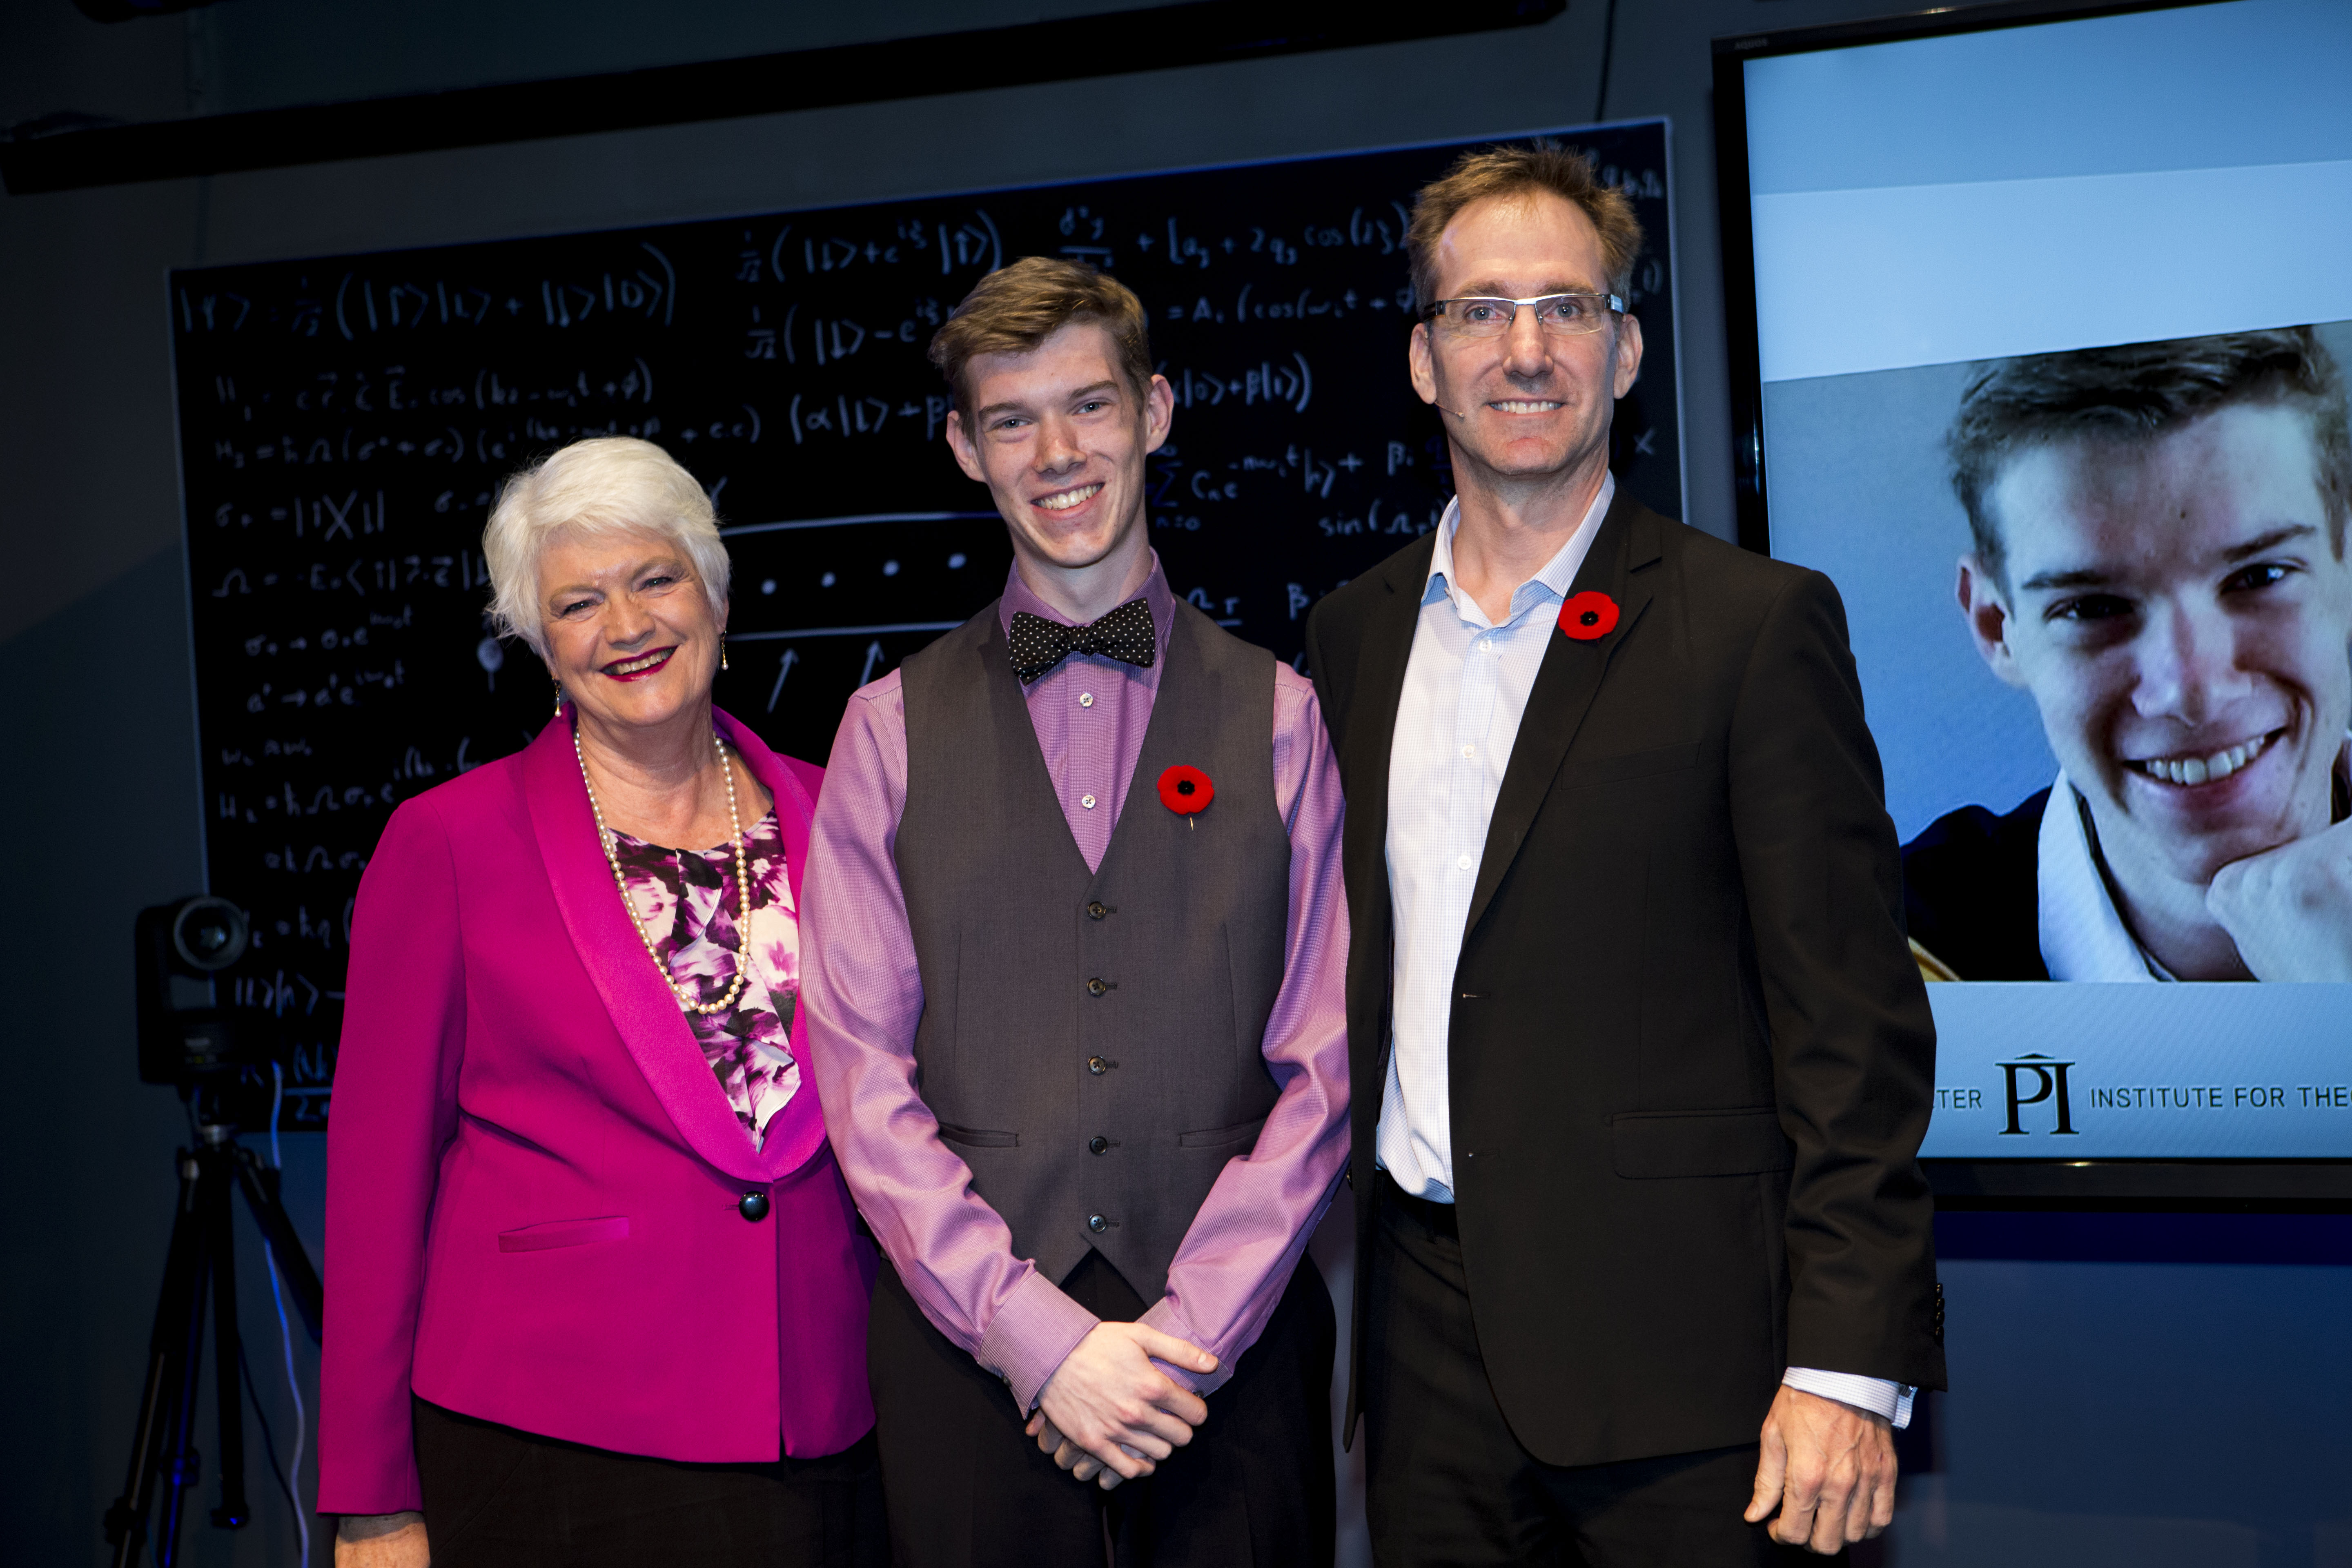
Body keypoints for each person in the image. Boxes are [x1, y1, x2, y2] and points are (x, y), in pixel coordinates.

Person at [1301, 145, 1945, 1564]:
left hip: (1696, 1371)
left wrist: (1846, 1365)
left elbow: (1855, 1027)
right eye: (1480, 312)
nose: (1524, 350)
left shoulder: (1755, 626)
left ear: (1627, 347)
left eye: (1566, 308)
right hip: (1423, 1363)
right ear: (1422, 361)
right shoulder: (1348, 638)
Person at [798, 256, 1351, 1568]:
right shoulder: (885, 730)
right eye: (1010, 420)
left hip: (1235, 1348)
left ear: (1155, 412)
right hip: (969, 1355)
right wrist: (1040, 1342)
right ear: (964, 449)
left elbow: (1325, 1064)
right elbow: (861, 1079)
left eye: (1090, 407)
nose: (1057, 452)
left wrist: (1182, 1339)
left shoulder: (1282, 711)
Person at [320, 437, 884, 1568]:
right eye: (578, 602)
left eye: (655, 579)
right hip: (557, 1437)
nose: (626, 626)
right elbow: (376, 1188)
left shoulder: (850, 813)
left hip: (830, 1419)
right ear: (537, 642)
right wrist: (374, 1497)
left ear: (716, 595)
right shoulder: (446, 845)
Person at [1907, 328, 2352, 982]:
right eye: (2091, 608)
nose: (2192, 692)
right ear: (1998, 626)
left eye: (2260, 577)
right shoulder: (1861, 961)